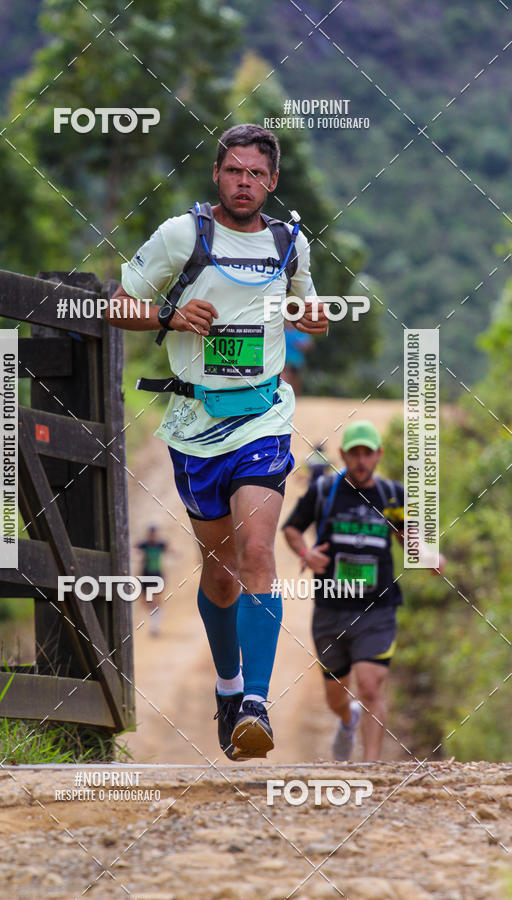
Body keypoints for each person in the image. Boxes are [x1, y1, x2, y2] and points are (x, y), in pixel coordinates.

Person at [106, 123, 328, 759]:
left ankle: (255, 702)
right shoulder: (184, 236)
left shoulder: (290, 242)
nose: (245, 183)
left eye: (257, 174)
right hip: (192, 425)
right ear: (217, 174)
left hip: (261, 417)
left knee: (259, 549)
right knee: (221, 568)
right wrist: (169, 315)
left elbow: (302, 307)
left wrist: (312, 315)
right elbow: (117, 305)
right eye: (235, 171)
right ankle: (229, 690)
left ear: (273, 181)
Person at [282, 420, 445, 761]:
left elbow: (408, 538)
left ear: (378, 456)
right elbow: (292, 529)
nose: (360, 460)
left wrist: (429, 557)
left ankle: (371, 767)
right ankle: (347, 718)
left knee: (371, 687)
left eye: (367, 453)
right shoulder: (324, 491)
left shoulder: (392, 496)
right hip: (331, 608)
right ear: (342, 454)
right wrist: (305, 553)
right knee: (335, 695)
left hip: (378, 609)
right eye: (354, 453)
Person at [137, 525, 167, 637]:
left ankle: (154, 626)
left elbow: (169, 550)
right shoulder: (144, 545)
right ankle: (155, 619)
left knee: (155, 600)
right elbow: (134, 551)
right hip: (145, 575)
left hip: (156, 575)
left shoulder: (160, 545)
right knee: (146, 602)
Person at [281, 322, 312, 395]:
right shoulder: (281, 332)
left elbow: (309, 345)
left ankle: (296, 397)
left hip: (297, 361)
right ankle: (288, 396)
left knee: (295, 380)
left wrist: (302, 345)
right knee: (286, 377)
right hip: (284, 361)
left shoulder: (301, 332)